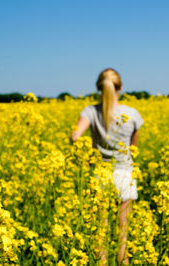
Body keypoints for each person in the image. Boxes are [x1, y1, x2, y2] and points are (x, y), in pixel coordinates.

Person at [71, 68, 143, 265]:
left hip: (100, 176)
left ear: (98, 87)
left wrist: (86, 156)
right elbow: (133, 150)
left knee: (100, 232)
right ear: (120, 87)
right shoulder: (132, 114)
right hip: (124, 174)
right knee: (123, 232)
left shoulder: (90, 111)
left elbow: (75, 136)